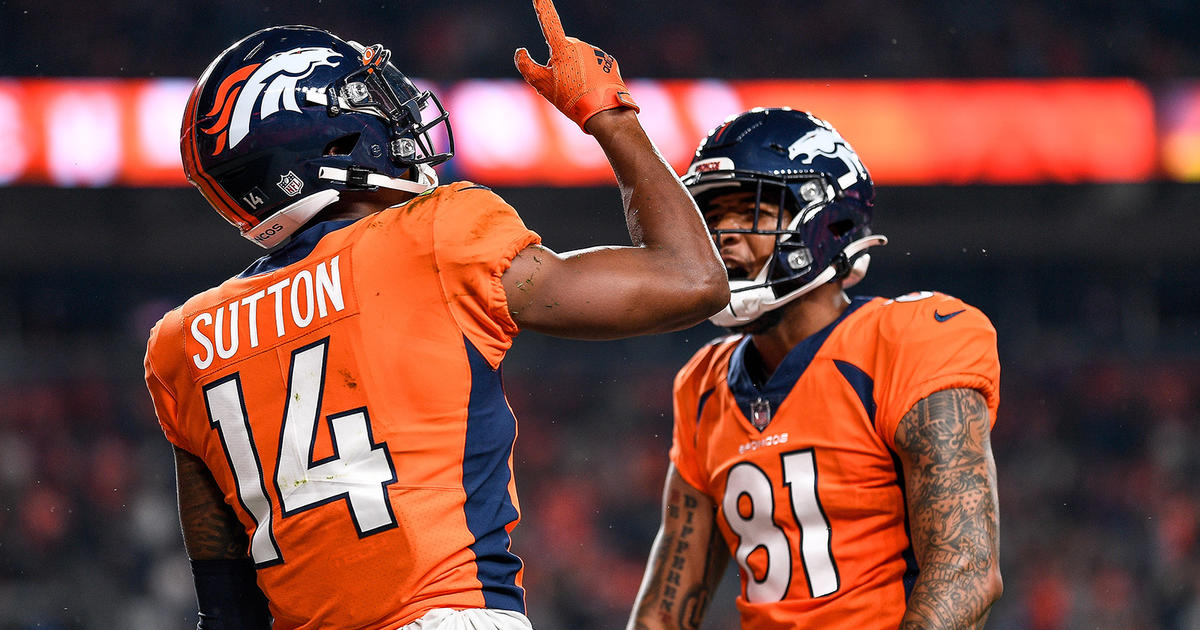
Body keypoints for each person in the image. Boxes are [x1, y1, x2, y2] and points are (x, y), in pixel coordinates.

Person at [142, 1, 728, 627]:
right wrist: (609, 116)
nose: (391, 111)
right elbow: (692, 281)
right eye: (360, 101)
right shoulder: (433, 236)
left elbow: (226, 609)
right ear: (326, 140)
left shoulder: (182, 342)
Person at [626, 108, 1002, 629]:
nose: (722, 236)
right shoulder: (703, 385)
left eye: (746, 209)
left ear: (826, 218)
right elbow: (664, 615)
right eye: (711, 218)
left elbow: (965, 570)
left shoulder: (909, 340)